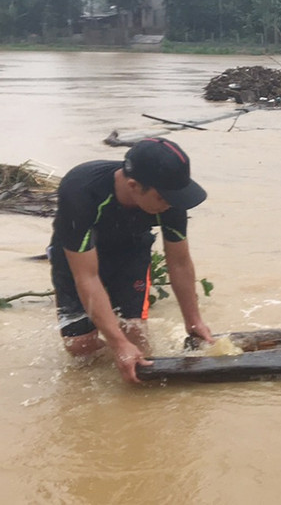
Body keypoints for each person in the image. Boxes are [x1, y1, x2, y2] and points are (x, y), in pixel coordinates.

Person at [49, 138, 214, 383]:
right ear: (134, 185)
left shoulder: (169, 199)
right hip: (78, 254)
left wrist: (194, 321)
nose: (170, 204)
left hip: (130, 250)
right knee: (81, 348)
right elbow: (87, 276)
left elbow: (179, 262)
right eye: (164, 198)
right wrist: (117, 345)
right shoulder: (81, 191)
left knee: (136, 335)